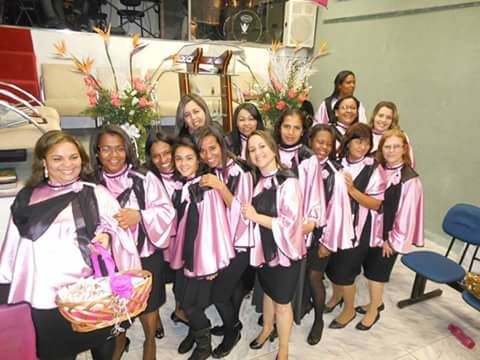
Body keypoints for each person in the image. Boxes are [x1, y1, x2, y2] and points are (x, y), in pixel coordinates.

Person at [0, 130, 141, 360]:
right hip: (46, 299)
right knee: (55, 352)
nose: (68, 164)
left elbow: (122, 233)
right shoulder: (26, 198)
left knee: (103, 346)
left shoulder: (97, 194)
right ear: (43, 162)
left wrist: (108, 236)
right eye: (58, 158)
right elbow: (12, 249)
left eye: (73, 157)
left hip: (91, 295)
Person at [90, 125, 176, 360]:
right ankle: (120, 339)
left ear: (128, 150)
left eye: (119, 148)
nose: (114, 155)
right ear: (97, 152)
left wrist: (140, 216)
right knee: (118, 305)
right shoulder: (91, 184)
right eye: (106, 149)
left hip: (145, 254)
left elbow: (166, 211)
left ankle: (150, 341)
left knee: (148, 304)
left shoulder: (143, 178)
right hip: (111, 260)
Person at [170, 137, 236, 360]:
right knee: (181, 295)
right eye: (178, 158)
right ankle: (196, 331)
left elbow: (214, 227)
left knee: (191, 304)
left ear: (199, 160)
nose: (183, 163)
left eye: (189, 158)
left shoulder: (206, 188)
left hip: (201, 257)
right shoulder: (183, 185)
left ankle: (203, 344)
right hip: (184, 253)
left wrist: (210, 265)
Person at [242, 130, 305, 360]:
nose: (257, 153)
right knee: (267, 293)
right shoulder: (259, 180)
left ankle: (284, 349)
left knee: (282, 302)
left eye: (261, 147)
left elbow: (290, 224)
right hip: (264, 251)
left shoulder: (288, 180)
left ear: (273, 148)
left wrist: (254, 216)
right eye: (252, 149)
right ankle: (267, 329)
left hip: (284, 253)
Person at [354, 129, 423, 330]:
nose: (391, 151)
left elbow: (406, 215)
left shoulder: (409, 179)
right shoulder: (381, 169)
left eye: (396, 146)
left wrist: (391, 240)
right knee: (370, 271)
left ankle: (373, 311)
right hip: (372, 229)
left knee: (377, 273)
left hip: (388, 237)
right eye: (387, 146)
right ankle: (376, 301)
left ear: (404, 149)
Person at [195, 123, 254, 357]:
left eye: (213, 148)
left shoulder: (241, 171)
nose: (208, 155)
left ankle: (233, 331)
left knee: (218, 294)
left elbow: (243, 212)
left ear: (222, 144)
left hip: (240, 243)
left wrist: (220, 187)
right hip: (221, 242)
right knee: (227, 291)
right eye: (202, 151)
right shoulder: (209, 171)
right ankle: (233, 322)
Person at [325, 123, 386, 330]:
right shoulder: (336, 163)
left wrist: (352, 191)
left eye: (367, 143)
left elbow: (377, 204)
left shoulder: (373, 168)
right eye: (358, 141)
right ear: (348, 141)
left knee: (345, 271)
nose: (362, 147)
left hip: (356, 229)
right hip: (333, 226)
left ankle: (349, 309)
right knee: (332, 267)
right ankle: (337, 296)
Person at [298, 124, 354, 345]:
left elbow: (337, 213)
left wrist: (326, 243)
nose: (323, 147)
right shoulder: (302, 165)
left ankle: (318, 319)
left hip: (322, 235)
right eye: (319, 142)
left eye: (328, 144)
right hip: (301, 232)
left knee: (314, 277)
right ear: (311, 141)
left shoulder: (335, 173)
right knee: (301, 275)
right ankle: (303, 305)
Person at [144, 128, 189, 333]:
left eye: (167, 153)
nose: (163, 160)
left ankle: (180, 309)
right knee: (158, 277)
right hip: (160, 241)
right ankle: (156, 317)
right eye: (156, 156)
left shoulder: (186, 172)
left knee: (183, 275)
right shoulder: (147, 180)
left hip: (183, 236)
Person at [368, 101, 415, 167]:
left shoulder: (400, 136)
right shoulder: (365, 133)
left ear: (393, 120)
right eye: (380, 115)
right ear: (374, 116)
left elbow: (410, 162)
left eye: (388, 117)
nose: (384, 120)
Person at [274, 108, 313, 173]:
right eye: (286, 126)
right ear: (279, 128)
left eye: (297, 128)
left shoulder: (308, 157)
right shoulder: (270, 151)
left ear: (302, 132)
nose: (291, 132)